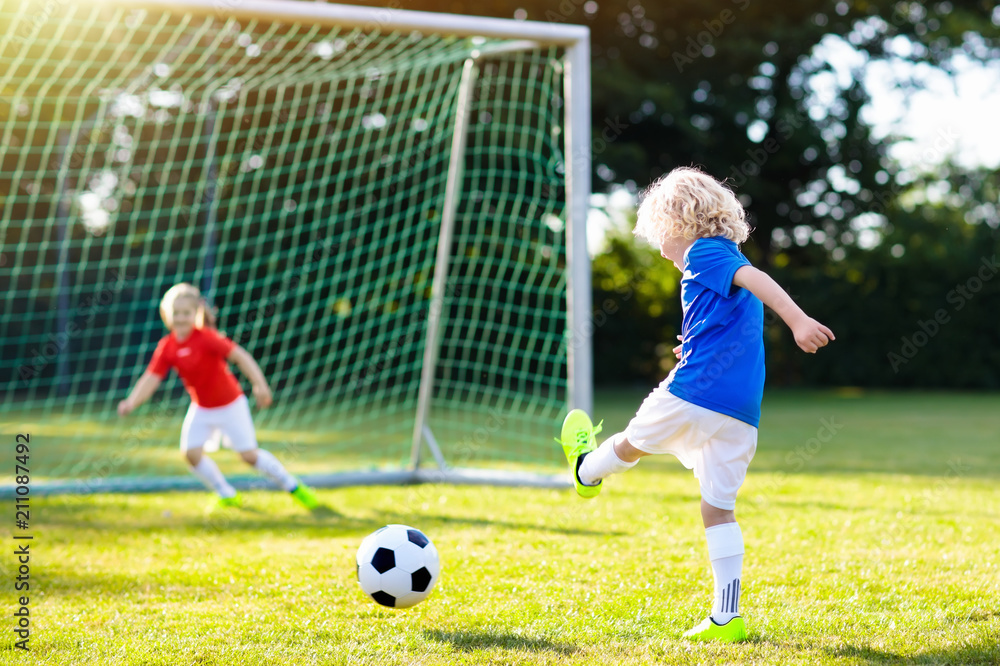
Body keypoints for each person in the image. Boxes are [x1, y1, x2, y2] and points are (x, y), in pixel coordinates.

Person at [558, 167, 834, 642]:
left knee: (631, 443)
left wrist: (797, 319)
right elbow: (731, 322)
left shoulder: (706, 252)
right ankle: (727, 618)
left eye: (658, 236)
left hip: (694, 393)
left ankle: (586, 470)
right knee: (717, 509)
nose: (659, 248)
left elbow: (756, 278)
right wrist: (697, 346)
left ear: (677, 224)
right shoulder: (721, 258)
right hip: (741, 411)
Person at [117, 282, 321, 511]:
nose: (181, 318)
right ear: (166, 315)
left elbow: (241, 357)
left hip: (231, 405)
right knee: (191, 454)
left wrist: (260, 385)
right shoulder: (167, 347)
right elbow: (151, 378)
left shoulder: (207, 338)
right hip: (202, 408)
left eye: (186, 313)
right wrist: (131, 402)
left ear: (196, 314)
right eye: (176, 313)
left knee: (248, 456)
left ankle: (293, 486)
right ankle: (226, 493)